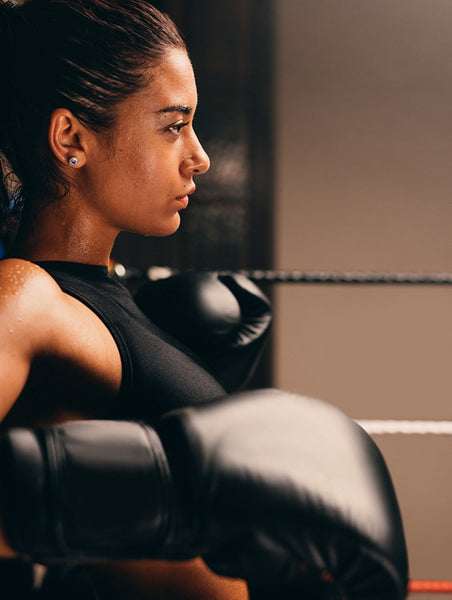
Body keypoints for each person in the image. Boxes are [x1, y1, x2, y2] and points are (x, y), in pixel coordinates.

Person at [0, 1, 408, 599]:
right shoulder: (28, 295)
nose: (200, 156)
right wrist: (165, 505)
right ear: (71, 138)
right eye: (172, 125)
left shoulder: (114, 308)